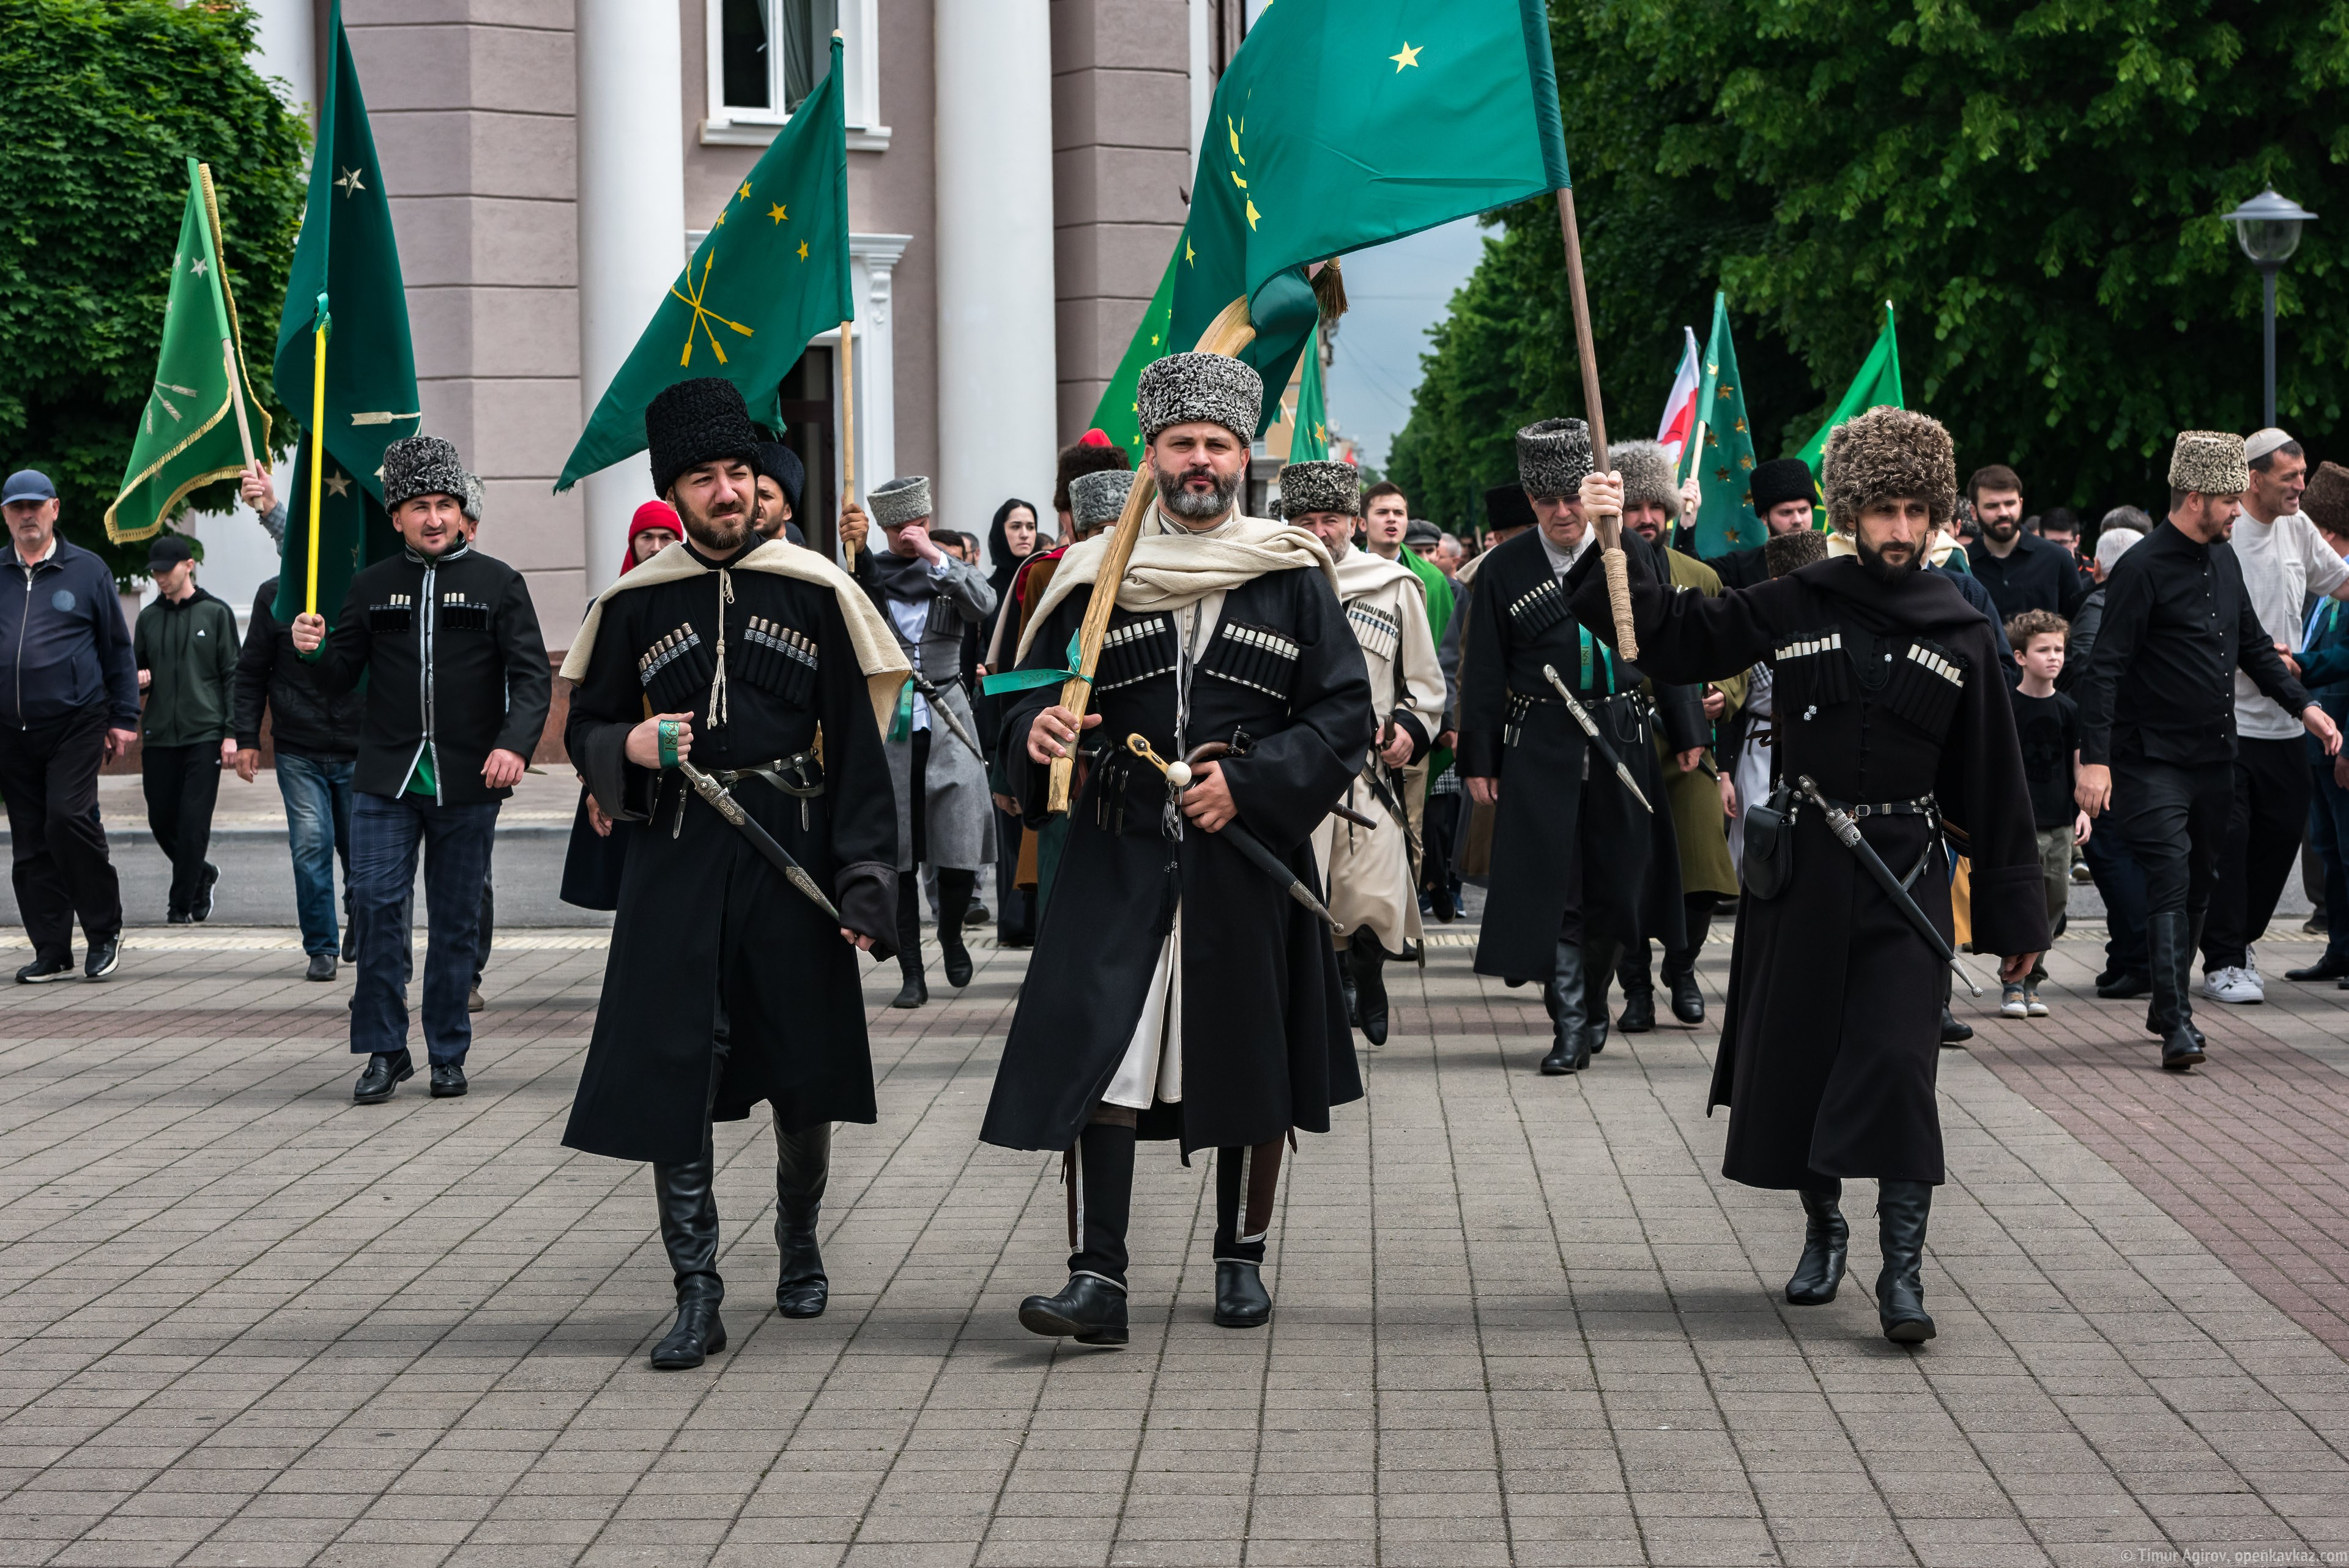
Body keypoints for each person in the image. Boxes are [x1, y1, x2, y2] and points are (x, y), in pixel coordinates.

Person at [1572, 404, 2048, 1343]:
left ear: (1938, 516)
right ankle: (1823, 1231)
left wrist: (2014, 918)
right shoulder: (1799, 598)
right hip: (1803, 878)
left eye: (1918, 511)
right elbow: (1669, 637)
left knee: (1902, 1069)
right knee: (1809, 1064)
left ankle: (1901, 1272)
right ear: (1851, 511)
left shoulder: (1962, 627)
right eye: (1884, 511)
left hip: (1906, 879)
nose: (1901, 530)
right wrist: (1613, 533)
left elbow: (1995, 777)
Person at [984, 350, 1371, 1345]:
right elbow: (1018, 695)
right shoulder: (1089, 574)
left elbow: (1342, 715)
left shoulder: (1293, 576)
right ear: (1152, 455)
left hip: (1245, 855)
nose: (1200, 460)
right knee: (1104, 1055)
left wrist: (1250, 781)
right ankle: (1096, 1277)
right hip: (1117, 855)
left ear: (1244, 457)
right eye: (1181, 444)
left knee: (1246, 1048)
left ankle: (1240, 1259)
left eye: (1218, 444)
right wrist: (1034, 731)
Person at [557, 377, 902, 1371]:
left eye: (740, 474)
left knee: (803, 1070)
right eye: (703, 478)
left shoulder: (816, 590)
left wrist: (868, 873)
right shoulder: (635, 601)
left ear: (763, 485)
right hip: (676, 854)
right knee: (674, 1064)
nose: (725, 491)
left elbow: (860, 746)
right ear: (678, 491)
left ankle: (798, 1239)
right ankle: (696, 1287)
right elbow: (586, 726)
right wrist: (630, 739)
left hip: (789, 846)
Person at [289, 436, 551, 1102]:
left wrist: (515, 744)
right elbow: (341, 676)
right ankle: (383, 1049)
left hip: (470, 778)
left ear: (463, 512)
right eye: (418, 506)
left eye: (444, 504)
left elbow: (530, 679)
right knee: (376, 908)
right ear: (397, 516)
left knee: (457, 919)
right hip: (386, 779)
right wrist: (314, 651)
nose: (433, 518)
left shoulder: (500, 583)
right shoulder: (371, 585)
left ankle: (446, 1050)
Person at [2074, 431, 2341, 1070]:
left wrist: (2303, 705)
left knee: (2199, 885)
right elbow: (2103, 669)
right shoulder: (2141, 569)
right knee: (2170, 878)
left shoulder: (2223, 560)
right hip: (2151, 760)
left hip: (2216, 757)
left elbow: (2252, 646)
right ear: (2197, 498)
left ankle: (2165, 998)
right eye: (2227, 501)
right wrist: (2096, 758)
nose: (2236, 511)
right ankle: (2180, 1026)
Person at [1459, 419, 1697, 1076]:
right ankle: (1568, 1026)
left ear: (1593, 494)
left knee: (1617, 891)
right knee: (1554, 892)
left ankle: (1594, 1002)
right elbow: (1482, 670)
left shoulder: (1631, 552)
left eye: (1572, 497)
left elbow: (1665, 641)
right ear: (1531, 502)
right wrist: (1479, 759)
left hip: (1624, 737)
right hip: (1541, 746)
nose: (1563, 513)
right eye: (1547, 501)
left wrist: (1688, 731)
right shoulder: (1505, 570)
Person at [1288, 460, 1444, 1046]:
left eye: (1331, 518)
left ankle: (1368, 971)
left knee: (1372, 890)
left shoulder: (1395, 586)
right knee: (1313, 891)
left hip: (1368, 769)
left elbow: (1426, 683)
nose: (1321, 530)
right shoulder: (1271, 581)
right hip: (1297, 765)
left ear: (1354, 522)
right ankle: (1335, 988)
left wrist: (1408, 726)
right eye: (1307, 520)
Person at [2197, 429, 2349, 1003]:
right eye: (2290, 477)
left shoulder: (2298, 525)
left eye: (2303, 474)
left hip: (2288, 720)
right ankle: (2225, 959)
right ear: (2254, 479)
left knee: (2282, 836)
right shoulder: (2224, 535)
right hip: (2229, 720)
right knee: (2230, 841)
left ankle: (2240, 939)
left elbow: (2338, 580)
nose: (2302, 487)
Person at [1606, 440, 1741, 1031]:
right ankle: (1635, 987)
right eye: (1632, 506)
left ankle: (1682, 969)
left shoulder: (1701, 577)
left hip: (1690, 750)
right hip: (1623, 741)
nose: (1646, 518)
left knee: (1706, 873)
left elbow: (1733, 653)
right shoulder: (1601, 574)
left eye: (1655, 506)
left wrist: (1723, 694)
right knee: (1628, 873)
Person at [857, 474, 996, 1007]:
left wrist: (935, 556)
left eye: (912, 525)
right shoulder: (869, 574)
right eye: (895, 528)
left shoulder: (949, 571)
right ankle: (911, 973)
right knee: (902, 853)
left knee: (959, 837)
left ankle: (953, 931)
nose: (904, 536)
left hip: (948, 716)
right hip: (892, 723)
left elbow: (985, 604)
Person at [2, 469, 137, 982]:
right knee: (31, 839)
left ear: (55, 508)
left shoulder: (88, 570)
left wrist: (124, 718)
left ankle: (104, 931)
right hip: (11, 728)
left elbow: (116, 650)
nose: (27, 514)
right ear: (6, 515)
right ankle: (52, 947)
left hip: (77, 721)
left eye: (36, 505)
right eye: (17, 507)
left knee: (67, 818)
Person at [233, 565, 366, 980]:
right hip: (298, 746)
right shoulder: (273, 596)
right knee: (310, 846)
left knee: (362, 851)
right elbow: (252, 671)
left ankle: (361, 920)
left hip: (359, 746)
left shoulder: (362, 591)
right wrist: (246, 739)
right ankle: (321, 946)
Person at [2065, 516, 2151, 999]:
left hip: (2108, 756)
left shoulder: (2099, 606)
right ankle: (2126, 955)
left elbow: (2086, 682)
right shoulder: (2144, 605)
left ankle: (2137, 958)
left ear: (2097, 566)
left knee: (2112, 854)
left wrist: (2088, 757)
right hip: (2132, 751)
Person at [133, 533, 239, 924]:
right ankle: (203, 874)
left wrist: (233, 733)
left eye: (167, 570)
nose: (160, 578)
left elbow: (233, 675)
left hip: (205, 734)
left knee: (194, 821)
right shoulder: (147, 618)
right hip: (159, 734)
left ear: (189, 565)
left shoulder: (216, 613)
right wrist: (140, 681)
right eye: (156, 572)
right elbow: (135, 671)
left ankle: (179, 906)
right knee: (161, 820)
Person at [2002, 609, 2089, 1019]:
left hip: (2059, 820)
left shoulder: (2070, 709)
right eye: (2043, 650)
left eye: (2059, 649)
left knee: (2056, 897)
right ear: (2020, 656)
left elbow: (2078, 766)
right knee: (2020, 902)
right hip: (2020, 821)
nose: (2054, 657)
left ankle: (2032, 977)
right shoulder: (2008, 707)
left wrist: (2083, 812)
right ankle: (2016, 983)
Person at [2287, 461, 2349, 987]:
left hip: (2341, 742)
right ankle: (2341, 948)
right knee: (2329, 850)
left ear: (2327, 535)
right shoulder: (2328, 589)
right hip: (2319, 742)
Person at [979, 497, 1044, 948]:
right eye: (1015, 526)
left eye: (1030, 526)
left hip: (1037, 713)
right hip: (999, 720)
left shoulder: (1045, 578)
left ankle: (1037, 919)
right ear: (999, 533)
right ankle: (1013, 923)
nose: (1024, 533)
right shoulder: (987, 592)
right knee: (1008, 823)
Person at [1964, 464, 2087, 620]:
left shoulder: (2058, 560)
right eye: (1992, 506)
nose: (2003, 513)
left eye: (2010, 504)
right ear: (1974, 512)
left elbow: (2079, 627)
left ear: (2021, 504)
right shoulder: (1963, 565)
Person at [1706, 458, 1818, 590]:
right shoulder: (1740, 567)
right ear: (1765, 518)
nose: (1798, 520)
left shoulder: (1836, 557)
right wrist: (1687, 522)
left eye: (1803, 510)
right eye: (1786, 512)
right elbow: (1690, 574)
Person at [749, 441, 807, 546]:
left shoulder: (806, 562)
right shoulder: (727, 560)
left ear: (787, 512)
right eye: (751, 495)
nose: (756, 504)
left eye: (766, 496)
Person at [623, 499, 683, 571]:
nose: (656, 548)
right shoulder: (623, 583)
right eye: (647, 538)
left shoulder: (696, 582)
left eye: (666, 538)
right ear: (633, 544)